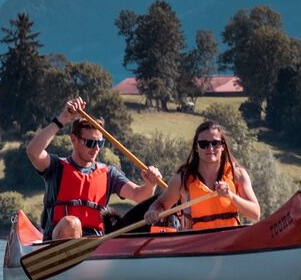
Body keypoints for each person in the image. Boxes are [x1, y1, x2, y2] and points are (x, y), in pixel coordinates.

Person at [27, 97, 162, 240]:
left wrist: (150, 183)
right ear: (74, 140)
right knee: (71, 223)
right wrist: (63, 118)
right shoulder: (56, 167)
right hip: (58, 240)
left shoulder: (109, 173)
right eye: (90, 143)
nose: (96, 148)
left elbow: (140, 195)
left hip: (94, 244)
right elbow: (33, 151)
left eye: (100, 143)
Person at [144, 120, 260, 230]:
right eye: (204, 144)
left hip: (230, 241)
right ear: (196, 147)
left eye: (215, 143)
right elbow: (160, 204)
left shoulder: (238, 175)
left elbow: (255, 214)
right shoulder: (181, 180)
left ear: (223, 146)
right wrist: (153, 211)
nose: (210, 148)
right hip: (197, 244)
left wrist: (231, 196)